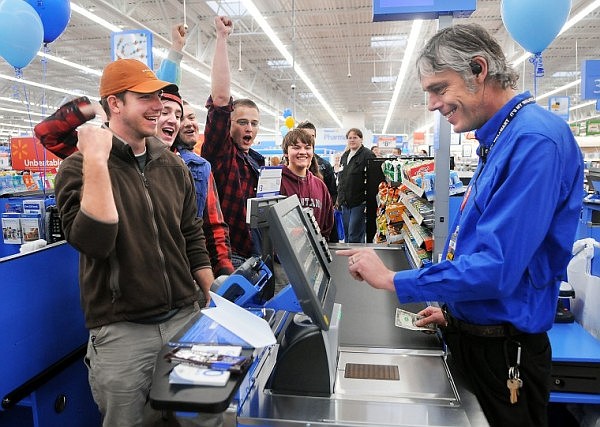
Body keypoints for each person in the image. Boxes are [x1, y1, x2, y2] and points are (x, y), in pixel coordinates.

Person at [337, 23, 583, 427]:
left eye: (439, 88)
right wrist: (455, 315)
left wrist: (394, 282)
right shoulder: (500, 139)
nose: (432, 104)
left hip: (504, 361)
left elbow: (497, 268)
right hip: (477, 340)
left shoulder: (534, 141)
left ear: (479, 69)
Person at [51, 58, 217, 427]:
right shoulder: (78, 168)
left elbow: (190, 233)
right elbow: (94, 240)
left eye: (158, 95)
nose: (158, 105)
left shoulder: (172, 167)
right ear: (115, 103)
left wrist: (212, 288)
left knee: (205, 418)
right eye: (145, 97)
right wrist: (96, 158)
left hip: (186, 318)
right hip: (121, 332)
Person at [202, 16, 265, 266]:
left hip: (256, 251)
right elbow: (219, 99)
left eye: (254, 123)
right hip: (229, 255)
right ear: (228, 124)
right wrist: (222, 38)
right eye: (242, 122)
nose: (249, 128)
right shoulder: (220, 154)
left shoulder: (256, 162)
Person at [280, 128, 334, 239]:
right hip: (283, 254)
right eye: (296, 147)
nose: (303, 152)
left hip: (314, 252)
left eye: (307, 147)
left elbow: (327, 225)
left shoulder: (320, 186)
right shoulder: (277, 182)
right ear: (286, 153)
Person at [296, 120, 339, 242]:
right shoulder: (285, 170)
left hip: (319, 227)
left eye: (312, 136)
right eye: (304, 135)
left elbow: (332, 194)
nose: (308, 139)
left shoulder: (324, 165)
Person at [336, 127, 375, 243]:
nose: (352, 140)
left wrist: (370, 202)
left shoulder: (368, 155)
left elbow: (373, 181)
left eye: (355, 137)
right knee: (347, 233)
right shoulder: (345, 155)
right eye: (349, 138)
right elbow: (342, 178)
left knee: (355, 235)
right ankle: (349, 258)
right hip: (345, 203)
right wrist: (339, 199)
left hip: (359, 202)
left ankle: (358, 258)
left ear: (361, 139)